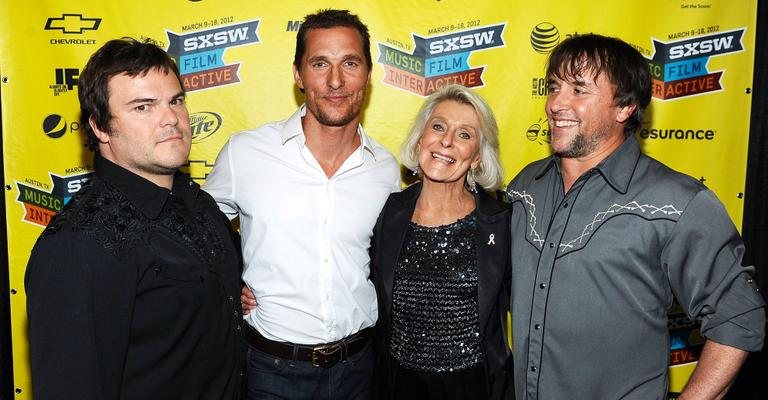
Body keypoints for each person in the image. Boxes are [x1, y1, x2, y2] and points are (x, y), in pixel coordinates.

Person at [506, 33, 766, 399]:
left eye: (579, 90)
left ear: (624, 107)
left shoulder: (677, 202)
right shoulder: (524, 187)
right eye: (554, 87)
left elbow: (739, 317)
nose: (556, 104)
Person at [25, 38, 244, 399]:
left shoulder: (196, 201)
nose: (171, 118)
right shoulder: (77, 245)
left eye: (175, 101)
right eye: (143, 107)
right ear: (99, 128)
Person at [203, 9, 400, 399]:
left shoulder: (385, 169)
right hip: (270, 372)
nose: (335, 81)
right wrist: (229, 280)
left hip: (359, 370)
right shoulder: (247, 153)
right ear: (298, 74)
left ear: (368, 74)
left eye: (350, 63)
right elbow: (196, 230)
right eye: (319, 63)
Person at [370, 84, 513, 399]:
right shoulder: (388, 211)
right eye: (438, 127)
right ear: (421, 138)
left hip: (473, 389)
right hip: (396, 386)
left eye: (464, 135)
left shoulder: (501, 222)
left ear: (476, 158)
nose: (446, 141)